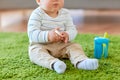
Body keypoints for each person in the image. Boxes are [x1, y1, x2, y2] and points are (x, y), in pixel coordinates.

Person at [27, 0, 99, 74]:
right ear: (39, 1)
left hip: (62, 45)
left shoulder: (65, 13)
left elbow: (72, 29)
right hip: (42, 45)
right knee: (34, 52)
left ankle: (81, 61)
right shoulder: (37, 14)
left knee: (74, 46)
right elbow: (32, 33)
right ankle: (54, 64)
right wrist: (48, 36)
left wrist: (67, 34)